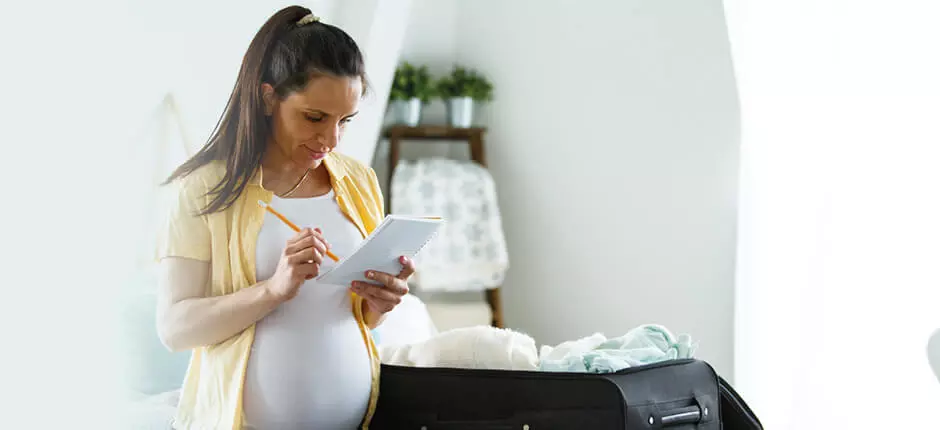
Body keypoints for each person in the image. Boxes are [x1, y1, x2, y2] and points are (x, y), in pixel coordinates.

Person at [155, 6, 411, 429]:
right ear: (268, 95)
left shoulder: (359, 180)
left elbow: (358, 317)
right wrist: (273, 290)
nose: (330, 139)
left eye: (345, 121)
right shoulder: (203, 188)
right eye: (315, 117)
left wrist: (379, 303)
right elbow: (174, 329)